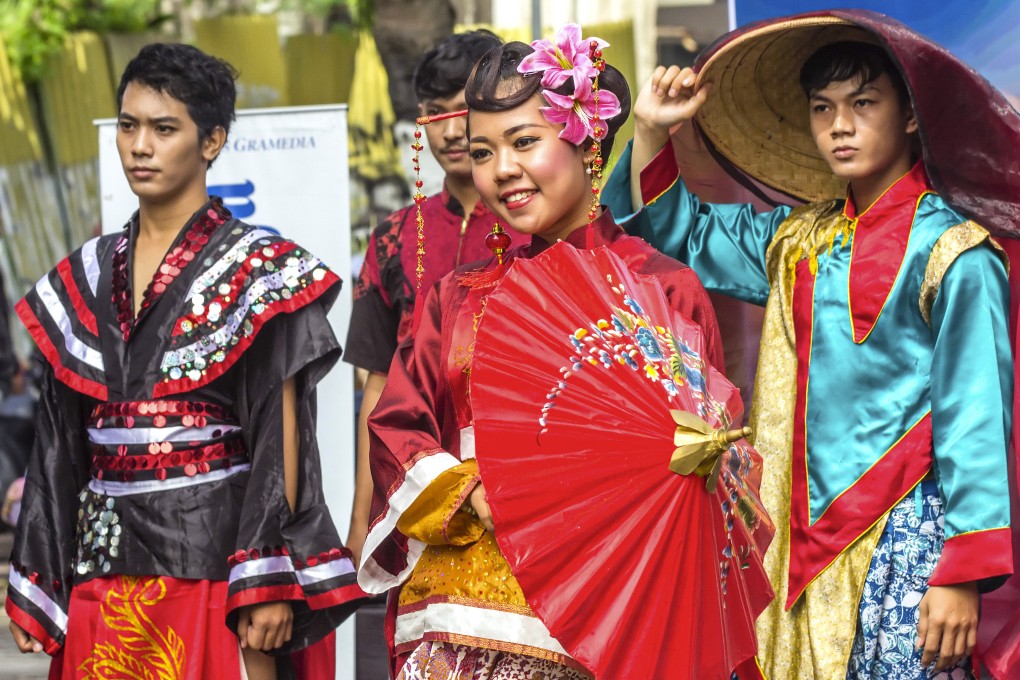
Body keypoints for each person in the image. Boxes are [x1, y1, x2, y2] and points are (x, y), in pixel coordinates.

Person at [602, 11, 1016, 679]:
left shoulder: (956, 253)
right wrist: (651, 128)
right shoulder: (797, 241)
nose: (840, 125)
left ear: (910, 116)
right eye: (822, 108)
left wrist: (962, 573)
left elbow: (977, 419)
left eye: (863, 104)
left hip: (906, 540)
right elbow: (678, 230)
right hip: (790, 541)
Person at [357, 27, 729, 678]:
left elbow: (701, 453)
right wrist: (472, 495)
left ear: (588, 141)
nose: (501, 170)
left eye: (524, 142)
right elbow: (397, 426)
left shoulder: (662, 291)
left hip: (610, 613)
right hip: (466, 624)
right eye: (483, 151)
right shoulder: (457, 297)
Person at [5, 43, 366, 679]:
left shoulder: (260, 270)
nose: (140, 146)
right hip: (104, 568)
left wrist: (267, 577)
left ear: (212, 141)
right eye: (128, 125)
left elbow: (281, 439)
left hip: (213, 564)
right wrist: (39, 574)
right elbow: (58, 443)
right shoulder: (85, 275)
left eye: (164, 128)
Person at [344, 29, 511, 565]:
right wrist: (361, 515)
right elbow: (377, 380)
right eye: (433, 112)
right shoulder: (393, 237)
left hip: (509, 479)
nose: (448, 130)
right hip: (412, 479)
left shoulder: (532, 227)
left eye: (463, 110)